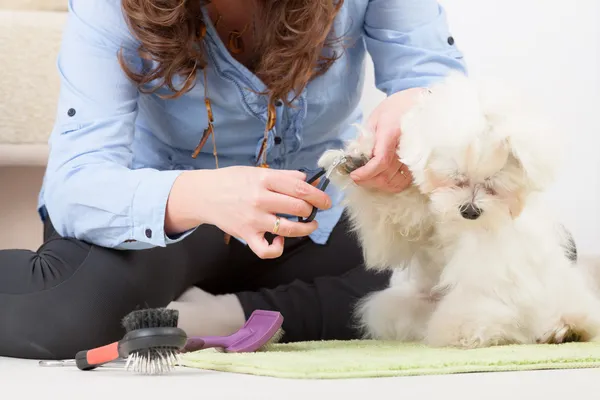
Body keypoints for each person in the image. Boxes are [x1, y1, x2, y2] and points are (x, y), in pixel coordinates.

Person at [0, 0, 466, 360]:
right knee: (73, 314)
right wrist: (198, 194)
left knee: (452, 282)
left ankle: (224, 315)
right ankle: (209, 306)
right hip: (164, 216)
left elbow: (438, 82)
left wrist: (419, 103)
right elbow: (75, 182)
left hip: (311, 211)